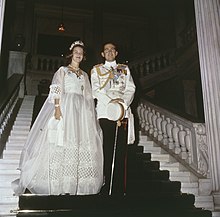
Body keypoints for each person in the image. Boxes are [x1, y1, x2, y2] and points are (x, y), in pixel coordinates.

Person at [12, 40, 103, 195]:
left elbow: (88, 96)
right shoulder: (63, 71)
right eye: (76, 52)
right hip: (66, 107)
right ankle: (59, 182)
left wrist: (90, 114)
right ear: (71, 54)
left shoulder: (85, 75)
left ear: (83, 56)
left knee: (80, 141)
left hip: (81, 111)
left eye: (81, 53)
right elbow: (56, 90)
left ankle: (76, 183)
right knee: (63, 139)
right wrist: (57, 109)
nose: (78, 55)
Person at [90, 42, 136, 195]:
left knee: (121, 151)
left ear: (116, 53)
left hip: (122, 112)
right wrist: (111, 103)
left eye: (112, 49)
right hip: (105, 112)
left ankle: (118, 189)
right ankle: (105, 185)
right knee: (106, 149)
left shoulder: (124, 69)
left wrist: (122, 103)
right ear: (102, 54)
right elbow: (95, 90)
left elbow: (131, 88)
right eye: (106, 50)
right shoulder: (96, 70)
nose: (109, 51)